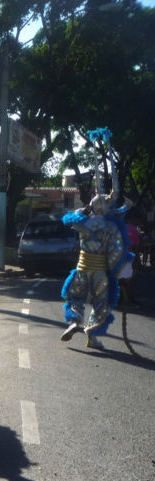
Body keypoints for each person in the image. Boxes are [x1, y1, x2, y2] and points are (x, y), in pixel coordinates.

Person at [60, 131, 133, 350]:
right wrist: (119, 267)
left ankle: (74, 321)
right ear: (107, 207)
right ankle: (92, 335)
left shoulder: (83, 223)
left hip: (82, 268)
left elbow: (71, 220)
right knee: (101, 303)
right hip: (100, 271)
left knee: (76, 296)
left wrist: (83, 211)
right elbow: (117, 249)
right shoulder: (111, 226)